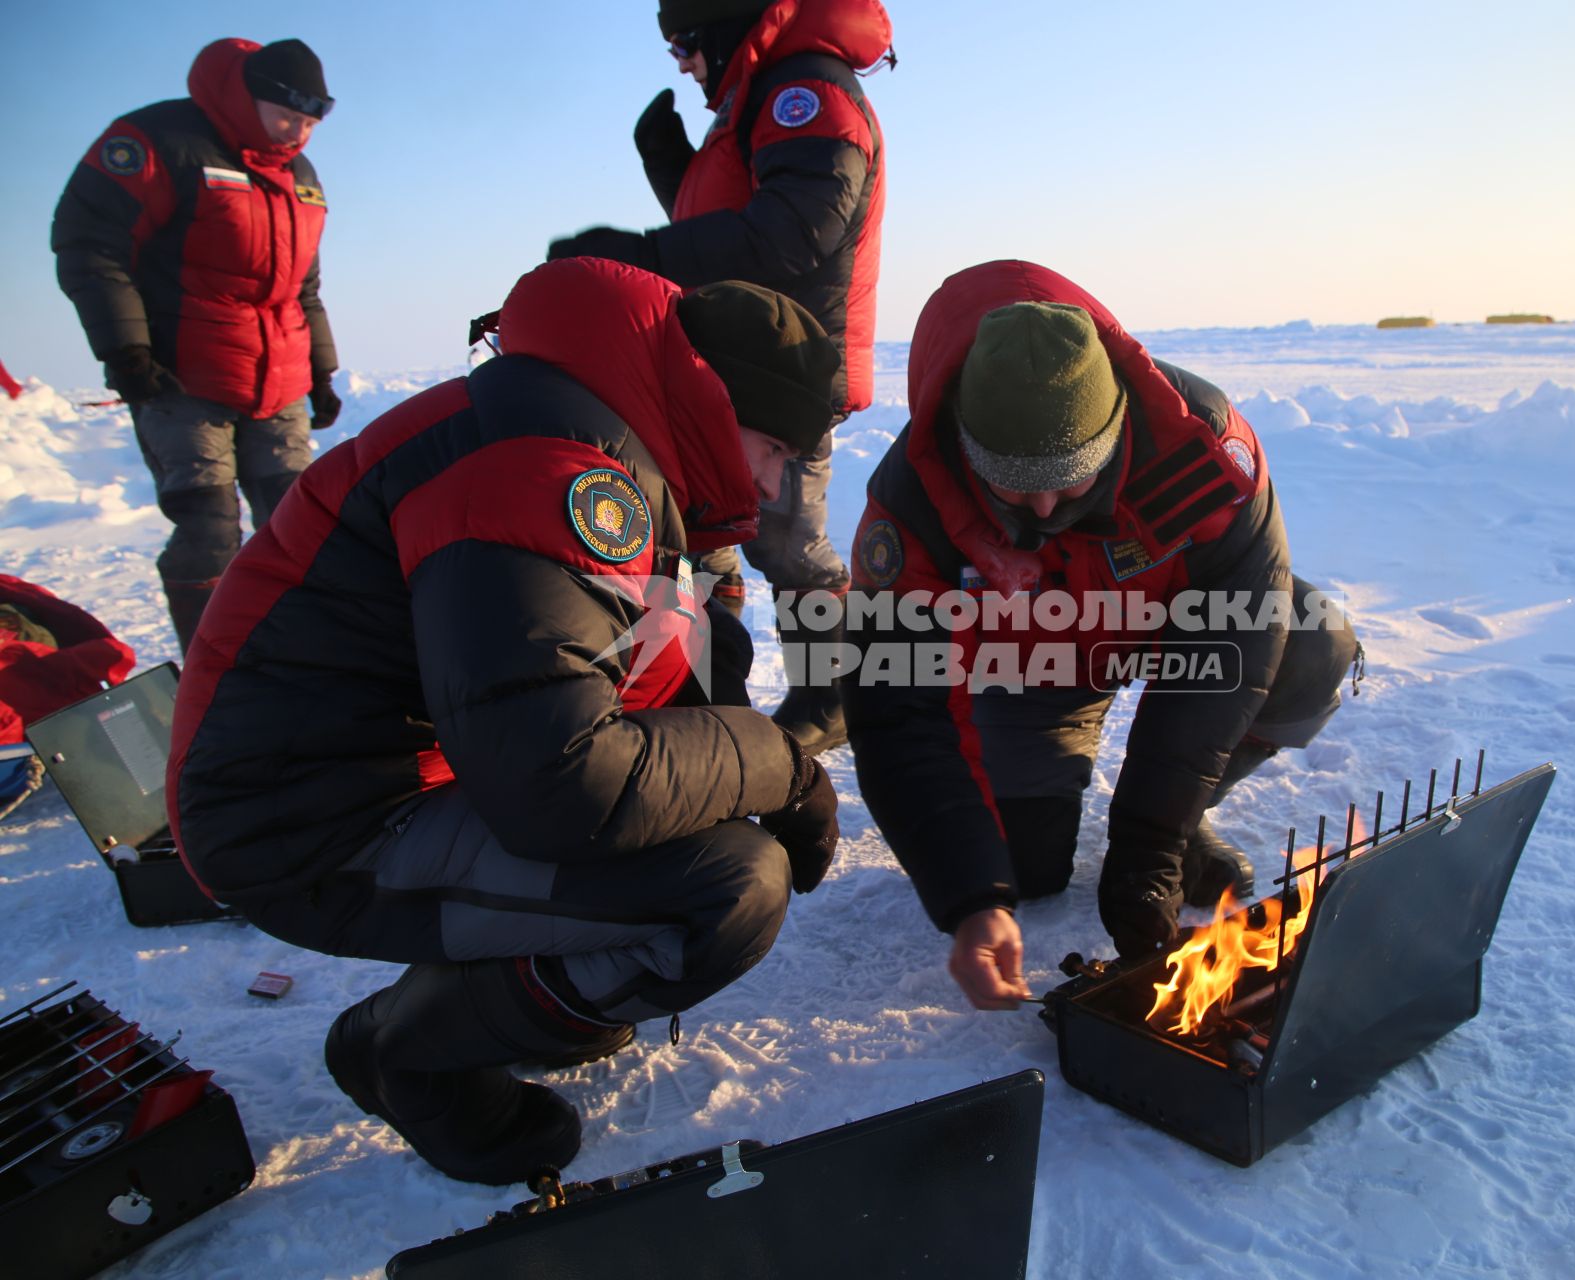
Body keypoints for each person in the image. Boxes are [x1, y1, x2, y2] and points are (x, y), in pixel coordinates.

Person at [166, 259, 844, 1185]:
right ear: (718, 406)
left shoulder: (590, 437)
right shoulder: (550, 469)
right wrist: (782, 765)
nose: (770, 488)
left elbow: (644, 700)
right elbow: (565, 784)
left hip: (394, 775)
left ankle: (508, 998)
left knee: (692, 799)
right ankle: (409, 1054)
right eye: (776, 452)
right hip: (305, 822)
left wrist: (736, 735)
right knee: (727, 886)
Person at [842, 261, 1360, 1009]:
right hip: (1023, 670)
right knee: (1022, 864)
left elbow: (1240, 639)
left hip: (1164, 632)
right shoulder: (912, 501)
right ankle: (1055, 787)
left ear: (1116, 431)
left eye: (1073, 477)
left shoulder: (1202, 448)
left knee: (1313, 644)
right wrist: (970, 897)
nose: (1046, 505)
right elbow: (897, 714)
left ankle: (1187, 817)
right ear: (965, 446)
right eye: (1014, 484)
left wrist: (1152, 841)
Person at [548, 0, 892, 756]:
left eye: (682, 43)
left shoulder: (806, 90)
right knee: (699, 533)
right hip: (732, 363)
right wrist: (673, 170)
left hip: (787, 371)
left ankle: (831, 694)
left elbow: (796, 230)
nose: (679, 62)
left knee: (788, 542)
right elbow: (731, 221)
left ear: (721, 25)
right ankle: (704, 685)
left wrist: (640, 252)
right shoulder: (756, 94)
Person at [52, 38, 341, 652]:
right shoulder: (160, 142)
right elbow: (90, 245)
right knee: (210, 529)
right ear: (250, 96)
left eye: (312, 121)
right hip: (183, 377)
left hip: (278, 378)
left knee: (300, 527)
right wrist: (127, 352)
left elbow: (302, 286)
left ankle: (310, 660)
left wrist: (320, 370)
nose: (299, 132)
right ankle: (217, 669)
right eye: (289, 115)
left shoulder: (300, 175)